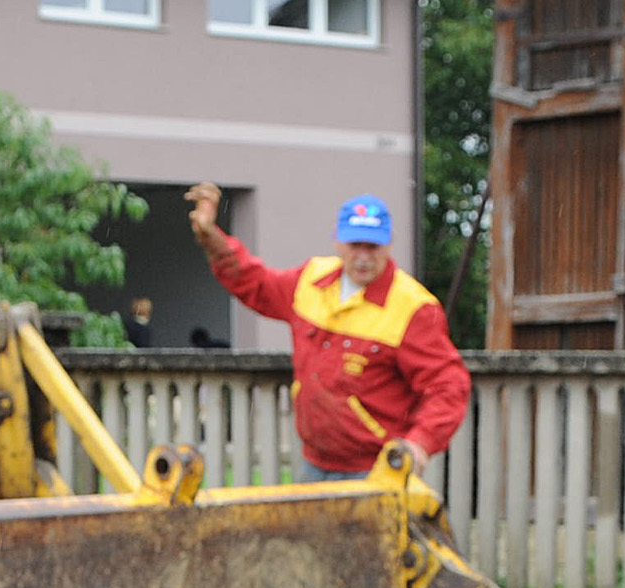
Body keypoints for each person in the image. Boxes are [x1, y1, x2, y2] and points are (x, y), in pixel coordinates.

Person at [188, 184, 468, 477]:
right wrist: (212, 239)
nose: (363, 256)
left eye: (372, 246)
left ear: (388, 244)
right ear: (337, 241)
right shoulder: (311, 280)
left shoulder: (413, 307)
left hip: (378, 469)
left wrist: (419, 443)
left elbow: (447, 384)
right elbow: (255, 284)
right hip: (314, 462)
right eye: (354, 245)